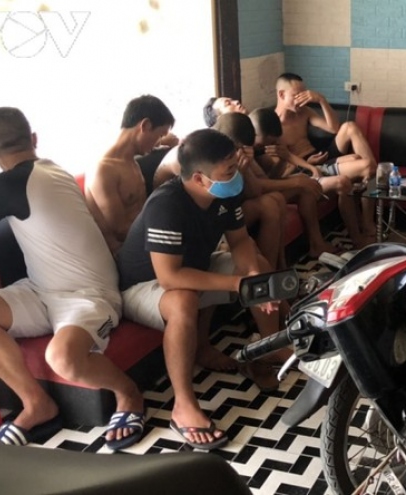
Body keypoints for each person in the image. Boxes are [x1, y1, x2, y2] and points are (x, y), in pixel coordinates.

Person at [0, 108, 144, 450]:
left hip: (90, 295)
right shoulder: (51, 168)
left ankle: (128, 393)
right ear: (34, 139)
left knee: (64, 358)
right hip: (42, 289)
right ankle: (37, 404)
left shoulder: (11, 184)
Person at [116, 128, 285, 449]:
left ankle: (266, 352)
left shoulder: (224, 193)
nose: (236, 176)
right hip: (143, 286)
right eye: (229, 171)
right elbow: (169, 278)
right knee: (182, 301)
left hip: (190, 269)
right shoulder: (167, 205)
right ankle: (183, 406)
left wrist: (250, 274)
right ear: (198, 178)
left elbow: (240, 241)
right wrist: (237, 283)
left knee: (260, 268)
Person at [153, 114, 289, 270]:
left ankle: (274, 273)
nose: (238, 154)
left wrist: (244, 168)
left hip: (213, 207)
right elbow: (217, 196)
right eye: (237, 149)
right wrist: (237, 172)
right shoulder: (194, 158)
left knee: (273, 201)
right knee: (252, 244)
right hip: (185, 221)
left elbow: (253, 192)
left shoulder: (229, 158)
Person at [251, 107, 373, 250]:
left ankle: (328, 241)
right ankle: (357, 240)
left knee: (353, 162)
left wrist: (303, 165)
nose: (268, 146)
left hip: (296, 174)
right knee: (340, 182)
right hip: (275, 187)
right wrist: (295, 179)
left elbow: (282, 167)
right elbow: (264, 184)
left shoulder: (271, 140)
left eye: (272, 142)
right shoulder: (249, 151)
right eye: (264, 144)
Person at [86, 95, 175, 255]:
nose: (159, 142)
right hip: (126, 254)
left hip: (147, 244)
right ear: (145, 125)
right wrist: (167, 235)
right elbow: (119, 230)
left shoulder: (132, 162)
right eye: (160, 135)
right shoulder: (103, 170)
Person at [275, 73, 376, 184]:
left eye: (303, 95)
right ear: (282, 94)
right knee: (360, 161)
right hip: (306, 167)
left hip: (321, 156)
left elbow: (334, 128)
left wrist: (321, 100)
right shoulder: (274, 125)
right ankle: (373, 174)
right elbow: (282, 167)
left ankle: (373, 172)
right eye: (296, 96)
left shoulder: (304, 112)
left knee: (350, 127)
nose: (301, 100)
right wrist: (308, 163)